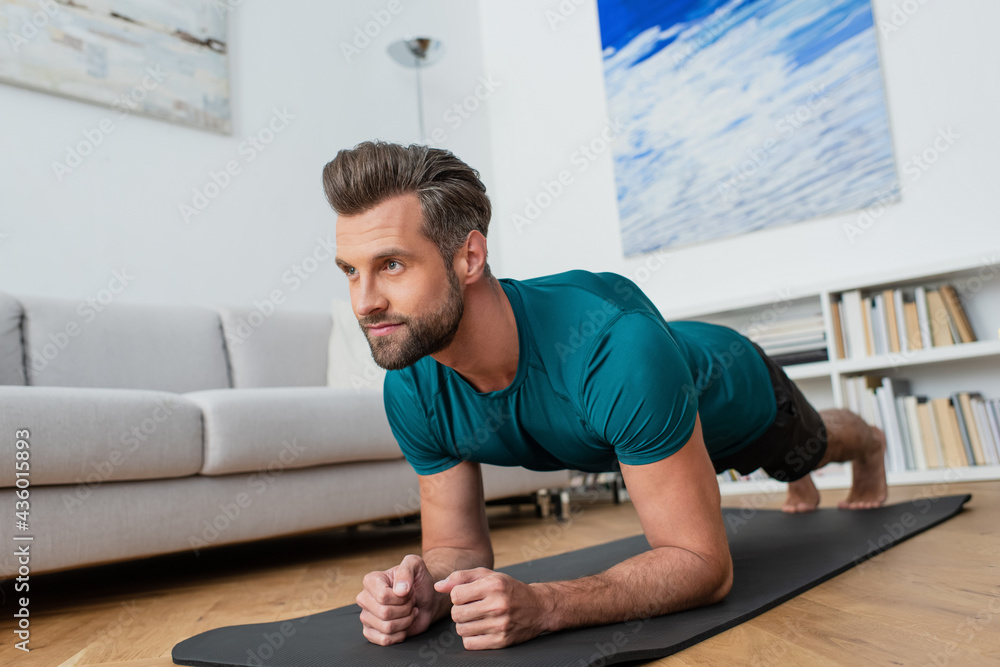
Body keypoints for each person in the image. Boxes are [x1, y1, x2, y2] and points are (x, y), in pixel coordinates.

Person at [322, 140, 887, 651]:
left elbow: (704, 566)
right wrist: (428, 586)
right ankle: (798, 482)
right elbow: (458, 549)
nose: (364, 302)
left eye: (391, 265)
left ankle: (867, 444)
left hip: (732, 388)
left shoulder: (614, 348)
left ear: (469, 257)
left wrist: (545, 605)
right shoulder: (411, 382)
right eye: (351, 270)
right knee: (754, 475)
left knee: (804, 451)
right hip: (646, 429)